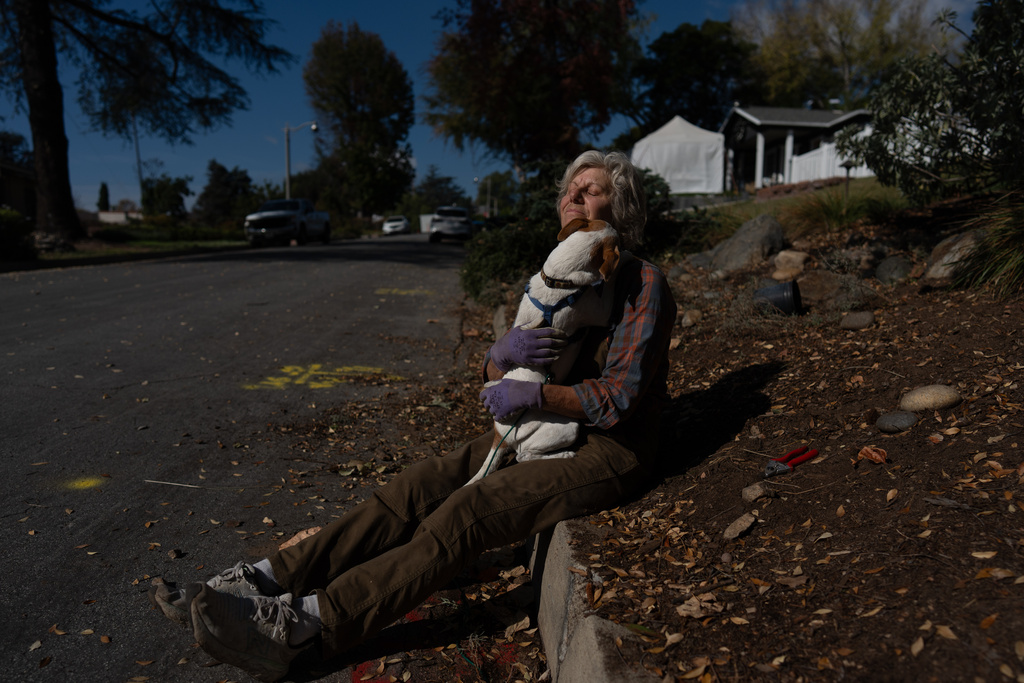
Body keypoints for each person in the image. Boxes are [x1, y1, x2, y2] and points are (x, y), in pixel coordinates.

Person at [149, 150, 678, 682]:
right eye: (570, 189)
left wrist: (536, 399)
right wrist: (502, 353)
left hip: (609, 448)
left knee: (469, 511)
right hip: (538, 426)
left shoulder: (641, 283)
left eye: (592, 189)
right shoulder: (562, 269)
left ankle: (306, 625)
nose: (575, 197)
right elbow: (493, 371)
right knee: (417, 484)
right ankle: (265, 579)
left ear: (623, 207)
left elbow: (618, 399)